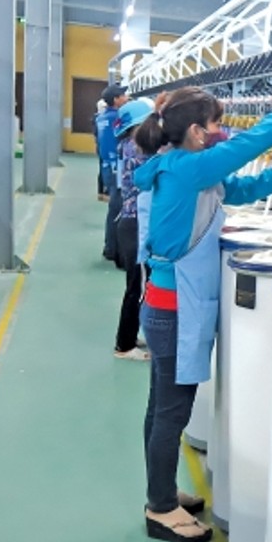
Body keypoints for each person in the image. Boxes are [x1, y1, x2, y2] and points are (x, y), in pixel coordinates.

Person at [133, 86, 272, 542]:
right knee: (171, 413)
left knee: (161, 408)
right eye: (216, 124)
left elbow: (238, 189)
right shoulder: (189, 167)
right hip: (173, 310)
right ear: (196, 132)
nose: (221, 131)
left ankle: (162, 492)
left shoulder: (185, 168)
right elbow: (248, 145)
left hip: (166, 305)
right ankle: (160, 509)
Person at [112, 98, 155, 362]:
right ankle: (124, 345)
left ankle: (129, 336)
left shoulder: (127, 144)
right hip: (135, 223)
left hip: (128, 222)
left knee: (136, 285)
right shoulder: (139, 147)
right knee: (137, 287)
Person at [97, 84, 129, 265]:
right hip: (117, 168)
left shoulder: (102, 117)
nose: (126, 97)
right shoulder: (118, 117)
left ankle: (110, 247)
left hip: (107, 166)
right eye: (123, 95)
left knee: (114, 208)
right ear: (116, 99)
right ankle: (113, 250)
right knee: (118, 210)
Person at [93, 99, 109, 201]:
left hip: (101, 147)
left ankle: (101, 192)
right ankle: (105, 192)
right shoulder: (101, 119)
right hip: (105, 148)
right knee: (106, 169)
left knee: (102, 169)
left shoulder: (98, 119)